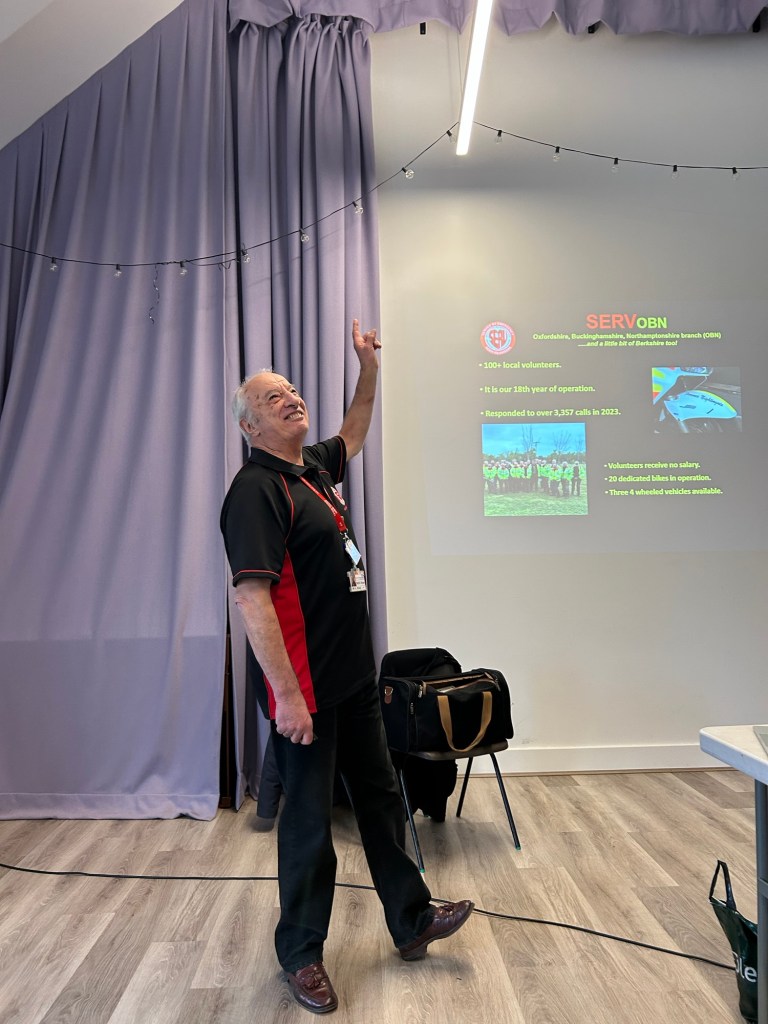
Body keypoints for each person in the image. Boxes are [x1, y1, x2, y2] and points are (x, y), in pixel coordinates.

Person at [220, 319, 473, 1015]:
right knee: (308, 827)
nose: (291, 397)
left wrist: (368, 367)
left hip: (354, 682)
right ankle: (301, 955)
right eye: (273, 397)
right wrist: (286, 697)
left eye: (292, 389)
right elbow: (252, 599)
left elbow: (354, 430)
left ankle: (412, 920)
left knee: (382, 801)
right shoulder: (255, 491)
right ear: (250, 426)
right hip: (305, 692)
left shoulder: (313, 471)